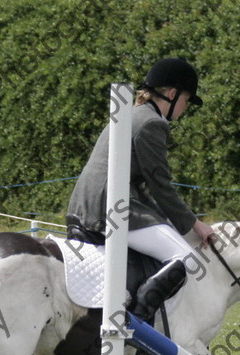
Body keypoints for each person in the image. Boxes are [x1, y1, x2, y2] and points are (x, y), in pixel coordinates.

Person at [67, 57, 214, 322]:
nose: (185, 108)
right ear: (171, 94)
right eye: (186, 100)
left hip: (87, 203)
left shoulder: (131, 114)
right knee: (186, 258)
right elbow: (160, 185)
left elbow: (141, 184)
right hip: (109, 208)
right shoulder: (152, 124)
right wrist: (195, 224)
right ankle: (137, 322)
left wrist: (165, 219)